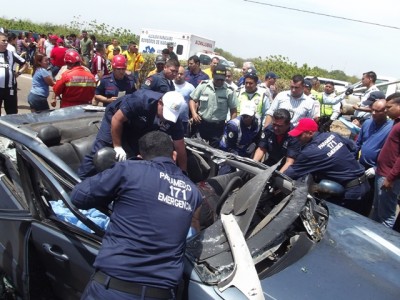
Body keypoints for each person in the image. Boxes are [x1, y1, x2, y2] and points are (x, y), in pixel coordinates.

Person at [72, 131, 202, 300]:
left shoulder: (128, 170)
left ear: (140, 157)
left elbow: (78, 197)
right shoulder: (193, 192)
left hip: (113, 288)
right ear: (174, 155)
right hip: (161, 294)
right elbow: (193, 229)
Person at [78, 90, 187, 179]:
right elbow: (117, 119)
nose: (165, 117)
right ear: (160, 103)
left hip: (139, 127)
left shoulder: (174, 119)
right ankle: (80, 179)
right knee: (101, 148)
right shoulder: (141, 100)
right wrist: (117, 146)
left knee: (138, 154)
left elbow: (180, 146)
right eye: (165, 113)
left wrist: (182, 173)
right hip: (117, 117)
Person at [284, 118, 369, 214]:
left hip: (351, 192)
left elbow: (290, 173)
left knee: (336, 223)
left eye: (300, 135)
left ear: (310, 133)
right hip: (365, 184)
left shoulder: (310, 152)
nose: (297, 138)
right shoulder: (332, 135)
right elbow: (354, 148)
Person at [355, 98, 393, 216]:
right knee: (357, 195)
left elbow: (391, 154)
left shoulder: (391, 128)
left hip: (377, 169)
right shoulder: (367, 123)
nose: (373, 113)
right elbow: (358, 144)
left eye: (378, 111)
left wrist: (376, 168)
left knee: (371, 198)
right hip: (361, 166)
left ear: (386, 111)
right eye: (372, 110)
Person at [189, 64, 238, 147]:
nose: (219, 81)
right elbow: (192, 100)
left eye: (222, 79)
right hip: (202, 124)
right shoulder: (204, 85)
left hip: (218, 128)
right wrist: (194, 113)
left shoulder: (229, 91)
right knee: (198, 149)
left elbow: (233, 110)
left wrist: (230, 125)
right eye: (217, 79)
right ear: (213, 76)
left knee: (214, 152)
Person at [371, 93, 400, 228]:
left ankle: (385, 245)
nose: (386, 110)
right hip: (382, 172)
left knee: (386, 216)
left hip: (389, 176)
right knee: (377, 209)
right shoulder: (396, 121)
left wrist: (390, 178)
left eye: (389, 107)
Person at [0, 32, 28, 115]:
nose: (6, 42)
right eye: (3, 41)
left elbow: (25, 64)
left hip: (10, 88)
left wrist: (18, 73)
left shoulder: (11, 54)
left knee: (12, 112)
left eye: (6, 41)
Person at [174, 66, 195, 136]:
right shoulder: (168, 84)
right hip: (170, 119)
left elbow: (195, 102)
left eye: (181, 74)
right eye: (177, 73)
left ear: (185, 75)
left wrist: (193, 116)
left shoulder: (190, 87)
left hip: (184, 121)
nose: (179, 75)